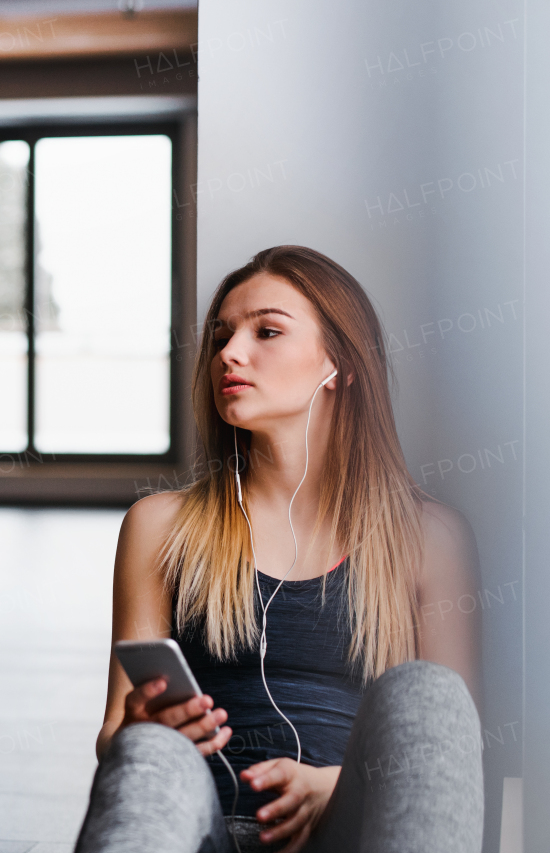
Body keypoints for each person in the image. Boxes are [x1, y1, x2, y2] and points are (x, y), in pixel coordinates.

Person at [74, 246, 486, 853]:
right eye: (221, 337)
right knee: (149, 747)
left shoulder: (430, 537)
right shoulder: (160, 526)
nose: (229, 354)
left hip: (350, 826)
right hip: (199, 821)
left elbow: (453, 748)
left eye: (266, 331)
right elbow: (114, 735)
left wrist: (333, 785)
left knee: (429, 695)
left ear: (340, 363)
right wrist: (139, 727)